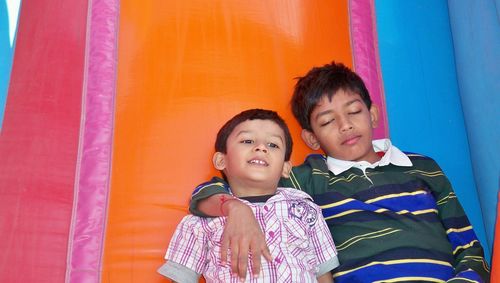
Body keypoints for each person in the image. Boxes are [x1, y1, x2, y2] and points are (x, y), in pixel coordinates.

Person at [188, 62, 491, 282]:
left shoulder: (423, 167)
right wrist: (235, 209)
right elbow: (223, 186)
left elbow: (468, 245)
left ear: (372, 114)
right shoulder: (307, 178)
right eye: (327, 121)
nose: (345, 125)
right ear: (312, 139)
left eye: (354, 112)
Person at [158, 109, 339, 282]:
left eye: (273, 144)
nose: (261, 148)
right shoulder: (200, 222)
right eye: (247, 141)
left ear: (286, 168)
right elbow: (182, 278)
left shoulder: (306, 209)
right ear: (221, 160)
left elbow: (323, 273)